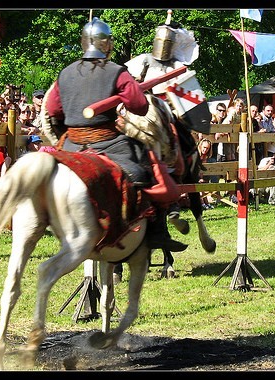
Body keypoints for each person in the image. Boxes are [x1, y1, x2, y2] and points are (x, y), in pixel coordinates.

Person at [45, 17, 184, 254]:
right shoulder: (117, 72)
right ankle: (156, 231)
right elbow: (140, 107)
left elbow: (53, 109)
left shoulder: (65, 72)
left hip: (70, 143)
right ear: (106, 44)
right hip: (107, 142)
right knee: (146, 168)